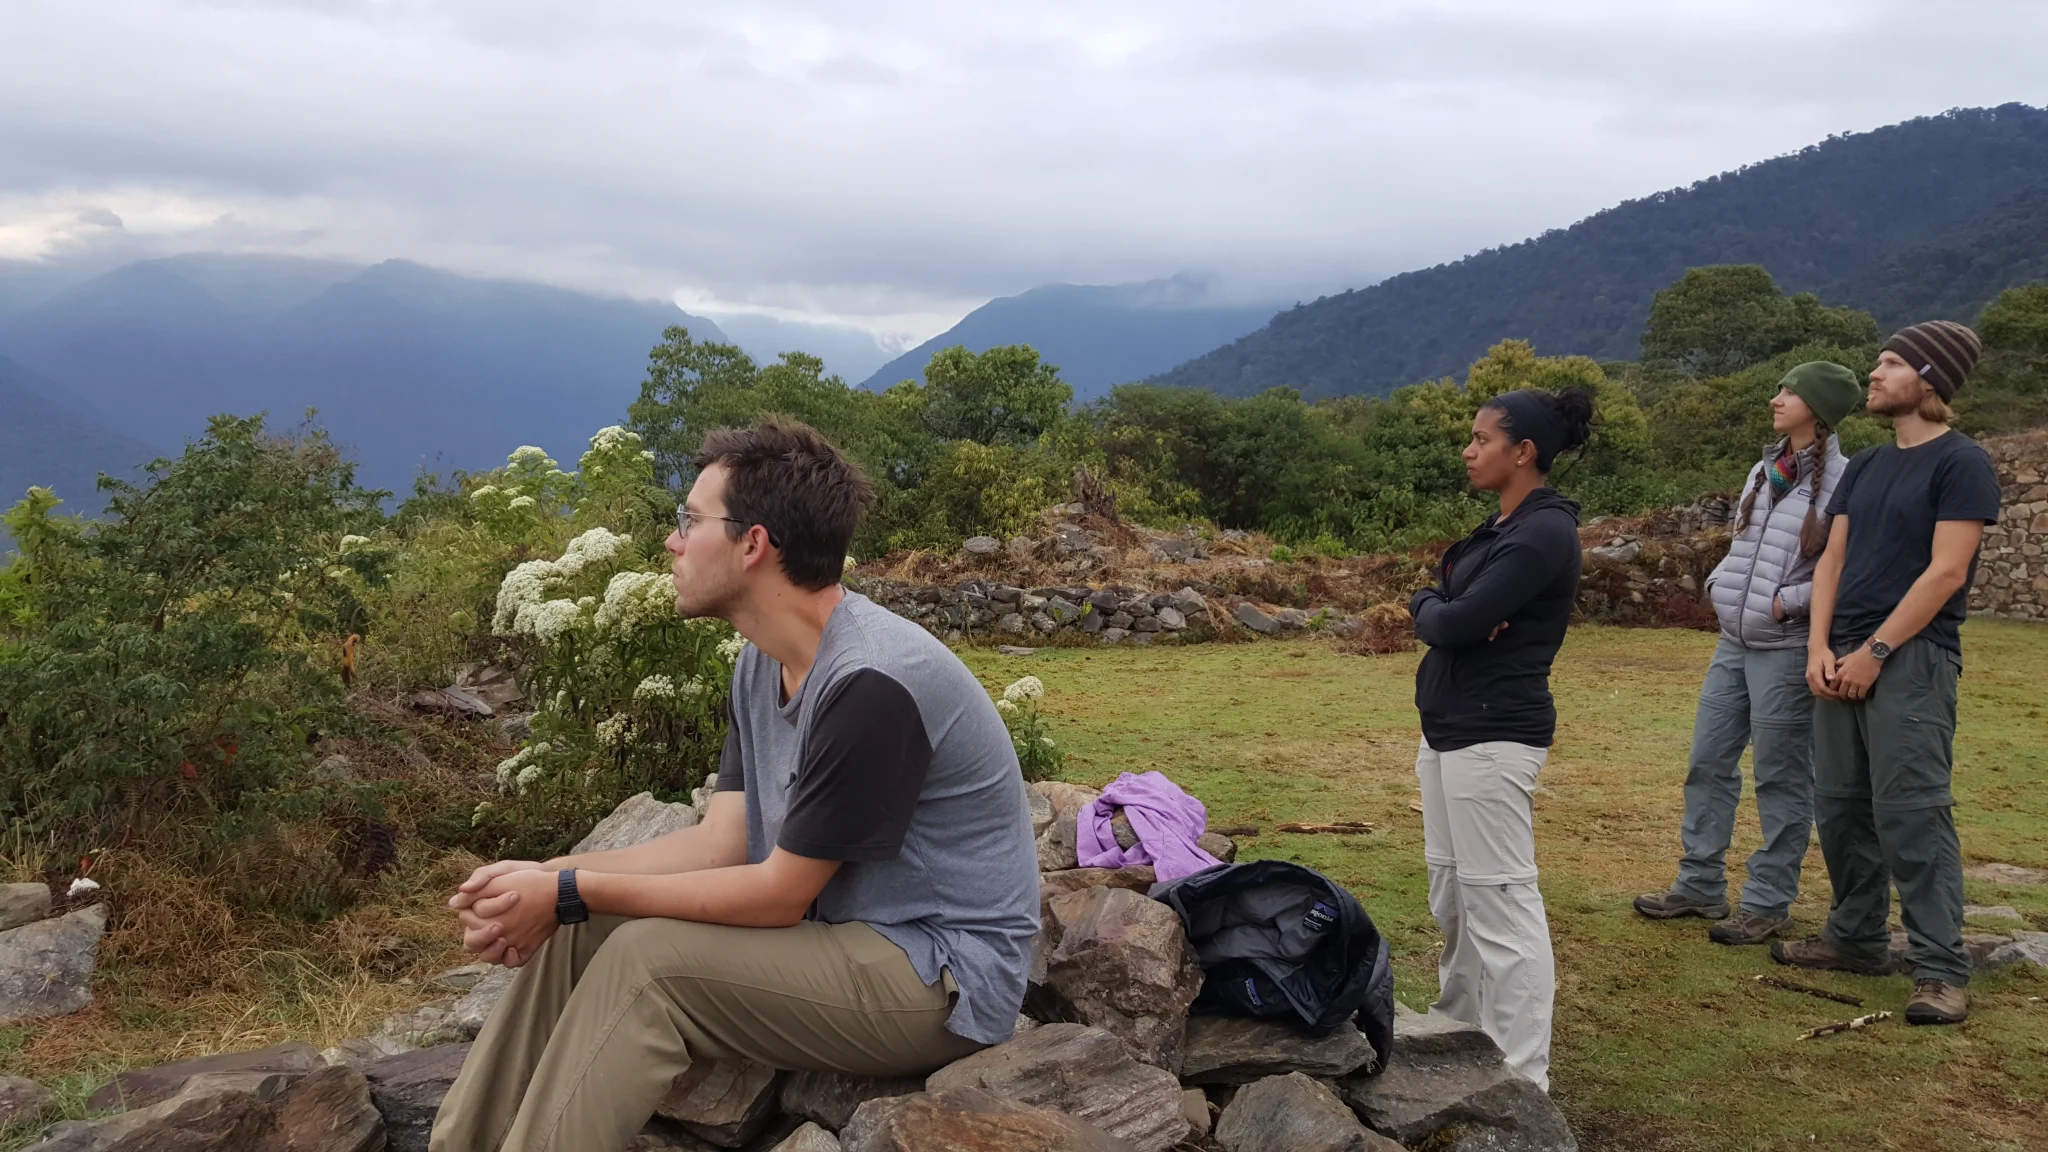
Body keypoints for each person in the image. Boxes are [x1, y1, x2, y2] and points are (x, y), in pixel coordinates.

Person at [429, 420, 1040, 1152]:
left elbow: (778, 893)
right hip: (847, 941)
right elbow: (722, 844)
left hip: (939, 977)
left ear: (753, 544)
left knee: (646, 965)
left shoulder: (872, 683)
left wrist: (571, 890)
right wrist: (547, 879)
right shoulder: (762, 662)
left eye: (690, 519)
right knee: (580, 928)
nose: (673, 540)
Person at [1771, 321, 2001, 1027]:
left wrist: (1876, 652)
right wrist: (1818, 647)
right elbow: (1831, 562)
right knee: (1839, 806)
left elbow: (1948, 570)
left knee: (1912, 811)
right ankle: (1856, 938)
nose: (1874, 374)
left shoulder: (1961, 464)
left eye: (1892, 363)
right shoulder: (1867, 467)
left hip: (1914, 658)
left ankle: (1939, 968)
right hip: (1838, 653)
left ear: (1930, 379)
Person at [1634, 363, 1862, 945]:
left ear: (1818, 407)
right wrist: (1721, 585)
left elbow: (1847, 571)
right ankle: (1700, 884)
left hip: (1786, 647)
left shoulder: (1845, 482)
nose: (1775, 398)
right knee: (1708, 761)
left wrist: (1787, 605)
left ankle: (1767, 902)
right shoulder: (1765, 470)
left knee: (1781, 778)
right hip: (1733, 642)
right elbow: (1743, 542)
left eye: (1788, 392)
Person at [1408, 387, 1594, 1091]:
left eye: (1482, 438)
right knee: (1454, 893)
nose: (1469, 448)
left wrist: (1438, 610)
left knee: (1502, 903)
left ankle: (1522, 1075)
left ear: (1524, 453)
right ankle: (1458, 1025)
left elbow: (1451, 623)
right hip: (1451, 730)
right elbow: (1449, 609)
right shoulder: (1503, 527)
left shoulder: (1544, 533)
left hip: (1494, 736)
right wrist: (1442, 606)